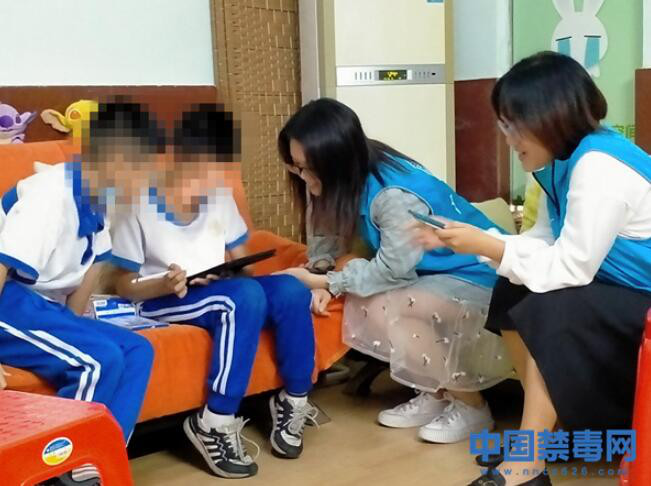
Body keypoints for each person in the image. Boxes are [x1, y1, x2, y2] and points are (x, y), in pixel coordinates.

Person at [414, 51, 651, 486]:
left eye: (512, 125)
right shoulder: (558, 163)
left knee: (553, 303)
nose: (507, 138)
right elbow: (543, 242)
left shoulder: (599, 166)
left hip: (645, 301)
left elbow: (572, 267)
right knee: (510, 291)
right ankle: (544, 432)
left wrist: (486, 244)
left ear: (549, 117)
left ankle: (529, 462)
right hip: (622, 291)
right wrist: (472, 239)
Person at [276, 98, 514, 444]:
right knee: (368, 300)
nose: (303, 177)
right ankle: (435, 393)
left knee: (395, 303)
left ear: (335, 159)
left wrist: (326, 281)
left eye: (308, 167)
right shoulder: (340, 175)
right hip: (431, 275)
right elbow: (326, 236)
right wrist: (322, 275)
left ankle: (472, 408)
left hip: (482, 276)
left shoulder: (392, 195)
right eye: (297, 166)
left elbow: (392, 272)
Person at [111, 104, 321, 479]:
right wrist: (166, 282)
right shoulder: (136, 203)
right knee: (240, 297)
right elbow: (122, 284)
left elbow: (246, 268)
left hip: (219, 291)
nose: (210, 174)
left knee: (290, 290)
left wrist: (232, 271)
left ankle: (294, 400)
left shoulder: (219, 197)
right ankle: (215, 421)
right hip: (161, 298)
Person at [0, 101, 160, 485]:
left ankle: (99, 460)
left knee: (138, 350)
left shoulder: (101, 199)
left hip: (41, 306)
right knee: (98, 360)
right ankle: (56, 470)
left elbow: (91, 271)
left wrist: (76, 330)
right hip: (9, 298)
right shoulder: (50, 196)